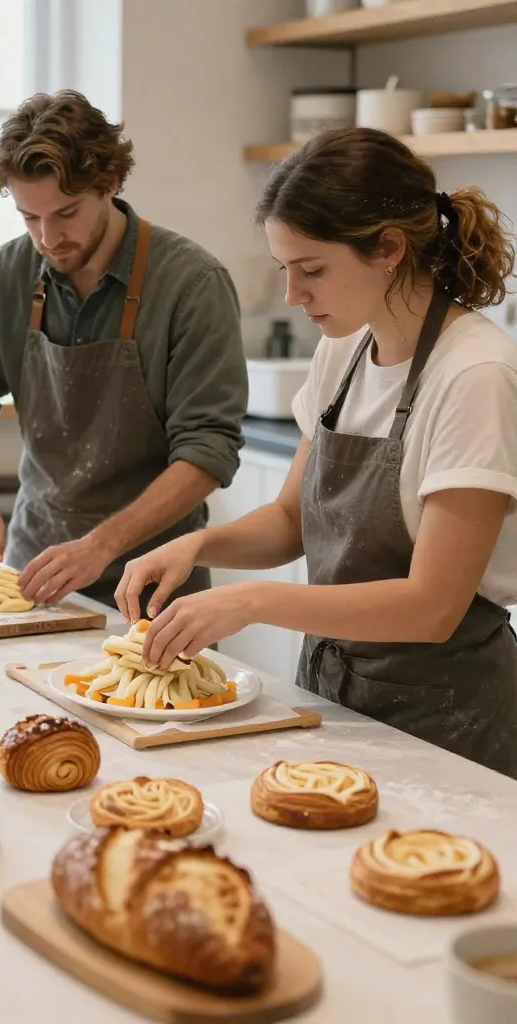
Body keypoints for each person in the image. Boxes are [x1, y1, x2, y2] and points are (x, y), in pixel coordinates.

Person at [116, 127, 517, 778]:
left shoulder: (474, 375)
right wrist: (195, 545)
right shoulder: (345, 350)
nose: (292, 297)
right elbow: (289, 520)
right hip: (336, 695)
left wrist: (250, 602)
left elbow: (432, 605)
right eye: (285, 270)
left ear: (389, 248)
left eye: (312, 270)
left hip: (449, 719)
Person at [0, 90, 247, 609]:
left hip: (154, 584)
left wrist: (101, 545)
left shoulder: (192, 284)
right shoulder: (5, 275)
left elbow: (207, 451)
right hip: (34, 571)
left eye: (66, 213)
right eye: (28, 218)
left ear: (111, 183)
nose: (47, 238)